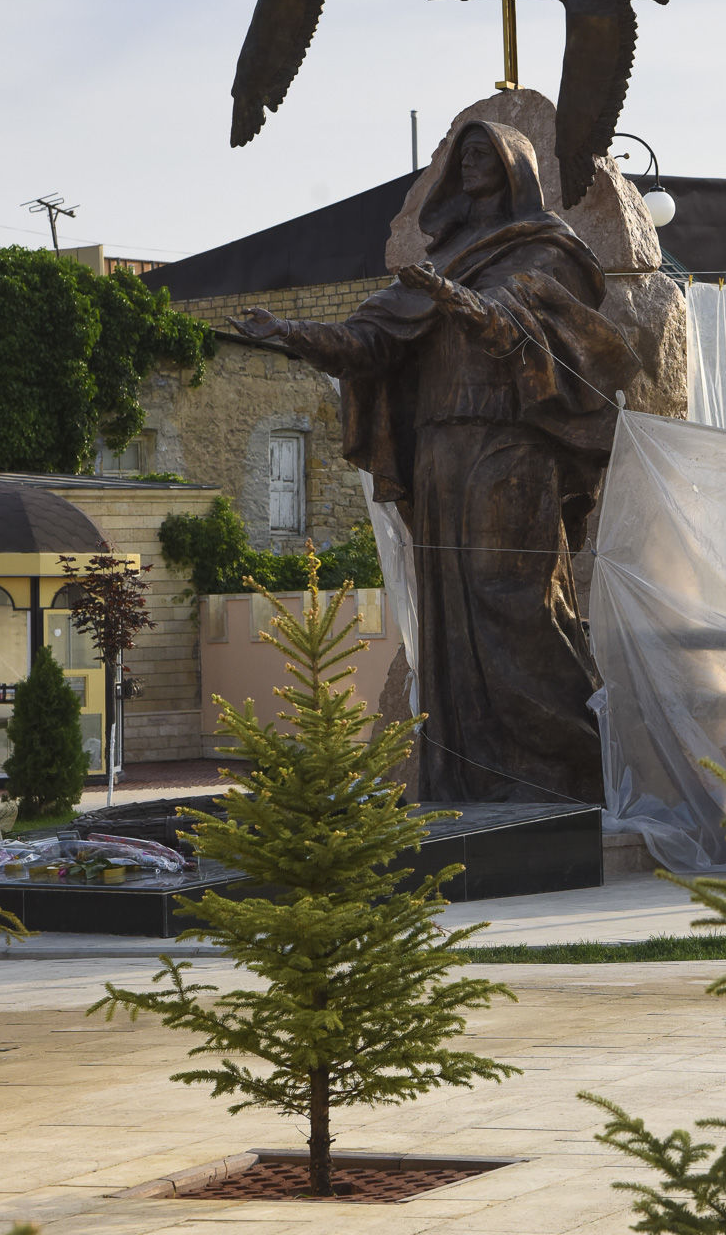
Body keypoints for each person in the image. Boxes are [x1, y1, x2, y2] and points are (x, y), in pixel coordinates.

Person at [235, 120, 638, 804]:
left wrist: (458, 301)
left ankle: (564, 768)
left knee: (513, 596)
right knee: (450, 611)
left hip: (510, 441)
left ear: (513, 168)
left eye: (483, 154)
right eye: (464, 155)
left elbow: (530, 332)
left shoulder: (544, 248)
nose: (471, 164)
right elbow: (369, 341)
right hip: (439, 449)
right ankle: (472, 779)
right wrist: (290, 332)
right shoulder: (443, 259)